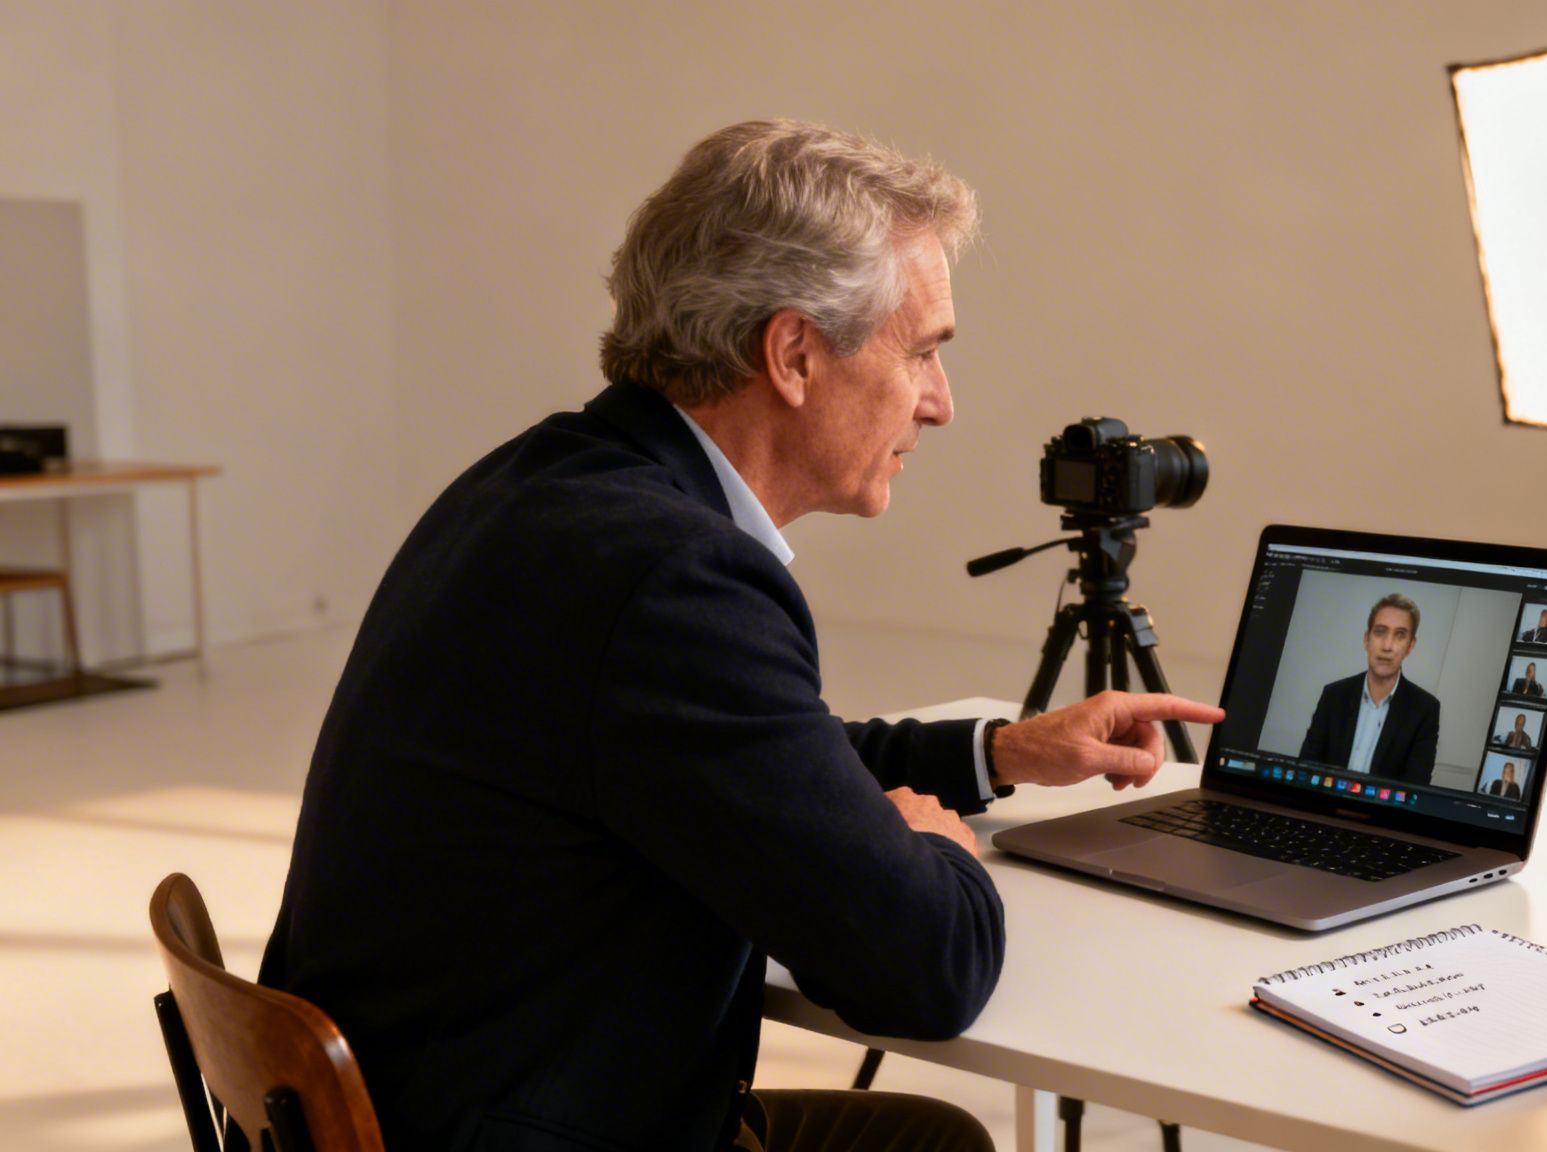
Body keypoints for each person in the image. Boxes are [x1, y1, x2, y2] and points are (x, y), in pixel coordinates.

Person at [257, 120, 1223, 1152]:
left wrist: (995, 753)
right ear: (795, 353)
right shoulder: (675, 579)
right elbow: (926, 970)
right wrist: (935, 851)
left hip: (429, 1100)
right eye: (924, 352)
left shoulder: (537, 486)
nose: (941, 404)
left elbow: (751, 762)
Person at [1297, 593, 1441, 783]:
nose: (1387, 646)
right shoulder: (1334, 695)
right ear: (1367, 639)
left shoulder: (1425, 709)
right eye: (1380, 632)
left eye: (1400, 635)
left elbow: (1415, 788)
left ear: (1410, 646)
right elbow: (1306, 768)